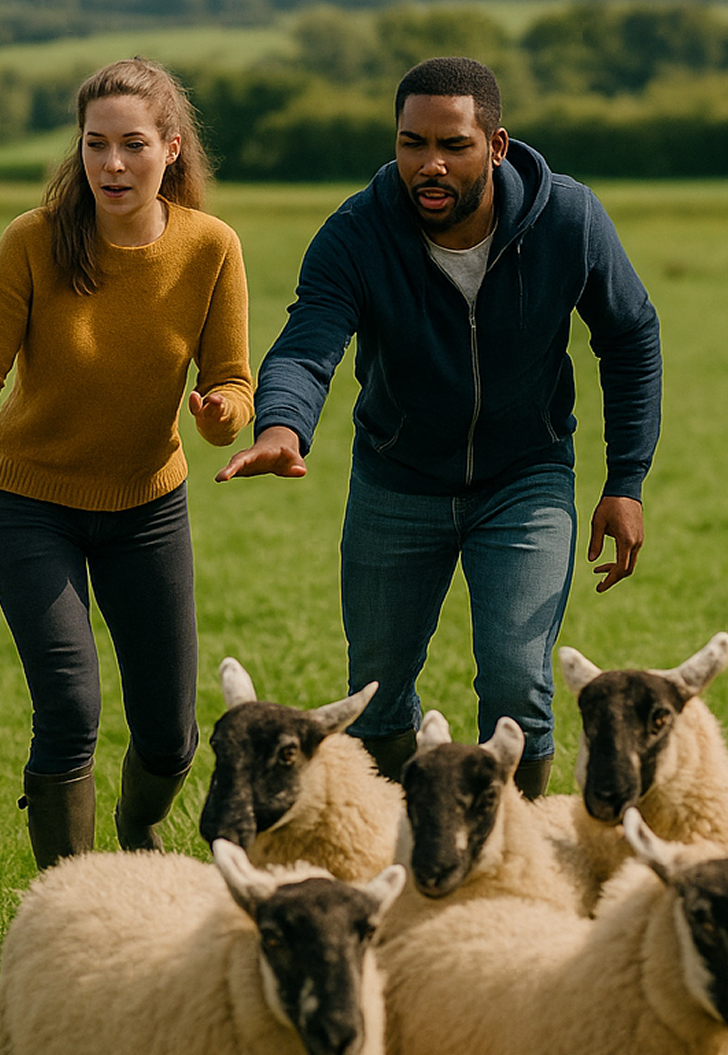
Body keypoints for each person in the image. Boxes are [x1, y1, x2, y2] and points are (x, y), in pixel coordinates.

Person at [217, 56, 661, 797]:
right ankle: (396, 832)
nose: (430, 164)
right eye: (412, 143)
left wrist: (627, 480)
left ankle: (513, 848)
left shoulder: (567, 219)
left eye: (453, 145)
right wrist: (282, 427)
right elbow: (308, 342)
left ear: (497, 146)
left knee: (518, 683)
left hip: (526, 477)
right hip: (397, 481)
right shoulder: (357, 233)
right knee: (377, 691)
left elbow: (630, 336)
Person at [0, 58, 253, 870]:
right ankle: (69, 898)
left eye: (133, 145)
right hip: (34, 505)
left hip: (147, 507)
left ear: (170, 149)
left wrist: (222, 414)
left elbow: (232, 383)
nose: (112, 164)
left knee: (169, 734)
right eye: (96, 144)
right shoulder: (33, 241)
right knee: (68, 709)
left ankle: (138, 828)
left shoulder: (211, 248)